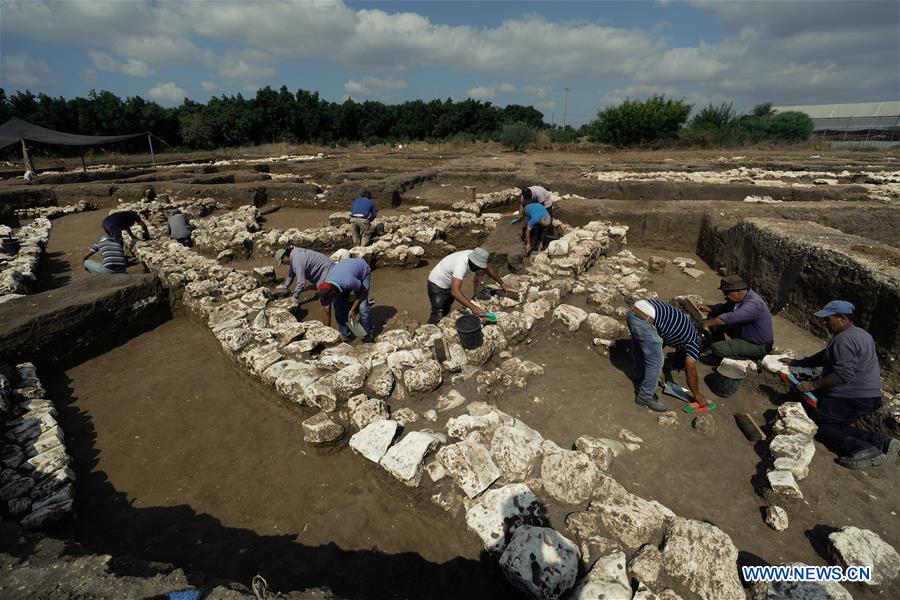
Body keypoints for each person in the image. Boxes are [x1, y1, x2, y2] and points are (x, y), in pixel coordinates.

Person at [780, 301, 898, 469]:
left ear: (842, 318)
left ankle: (860, 449)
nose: (824, 322)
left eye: (828, 319)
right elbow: (827, 355)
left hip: (852, 397)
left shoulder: (843, 340)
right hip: (870, 396)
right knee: (837, 423)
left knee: (819, 424)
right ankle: (881, 441)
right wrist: (800, 362)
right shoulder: (861, 334)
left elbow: (843, 374)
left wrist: (813, 384)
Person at [626, 299, 710, 412]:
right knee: (656, 361)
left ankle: (639, 375)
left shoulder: (686, 328)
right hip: (645, 319)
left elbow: (658, 339)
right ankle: (645, 397)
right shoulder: (694, 342)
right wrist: (697, 394)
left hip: (635, 311)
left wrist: (659, 370)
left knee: (640, 347)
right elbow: (691, 372)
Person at [426, 247, 509, 325]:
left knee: (446, 309)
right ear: (471, 260)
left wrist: (502, 283)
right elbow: (455, 291)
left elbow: (488, 270)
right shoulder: (461, 265)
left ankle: (441, 324)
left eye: (480, 265)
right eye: (477, 265)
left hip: (450, 284)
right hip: (436, 284)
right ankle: (429, 332)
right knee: (437, 312)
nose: (478, 268)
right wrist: (474, 309)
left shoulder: (476, 255)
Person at [700, 275, 774, 360]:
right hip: (744, 334)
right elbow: (724, 307)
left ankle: (746, 359)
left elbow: (728, 318)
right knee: (713, 316)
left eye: (726, 293)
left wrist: (706, 323)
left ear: (738, 292)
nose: (725, 296)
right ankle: (725, 347)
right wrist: (709, 308)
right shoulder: (740, 298)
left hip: (758, 346)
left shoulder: (752, 304)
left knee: (716, 348)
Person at [317, 258, 375, 342]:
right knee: (339, 306)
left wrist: (353, 309)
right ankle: (345, 334)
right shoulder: (323, 288)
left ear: (333, 292)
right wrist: (327, 334)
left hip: (362, 270)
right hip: (345, 272)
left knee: (362, 307)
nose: (330, 300)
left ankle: (368, 334)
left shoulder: (348, 282)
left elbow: (362, 290)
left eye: (331, 298)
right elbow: (326, 310)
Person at [276, 247, 335, 326]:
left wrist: (294, 298)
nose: (284, 264)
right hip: (324, 268)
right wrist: (285, 286)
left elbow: (301, 283)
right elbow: (291, 273)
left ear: (285, 257)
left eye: (283, 262)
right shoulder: (294, 254)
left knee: (325, 300)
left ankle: (328, 329)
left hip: (327, 271)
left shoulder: (297, 260)